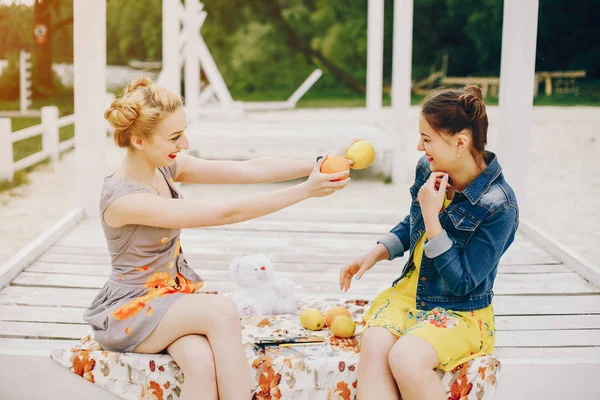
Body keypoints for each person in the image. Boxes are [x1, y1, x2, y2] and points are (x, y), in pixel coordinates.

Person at [83, 77, 352, 400]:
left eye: (183, 132)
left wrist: (320, 164)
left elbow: (249, 169)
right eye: (174, 137)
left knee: (200, 363)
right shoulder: (125, 200)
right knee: (222, 310)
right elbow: (225, 214)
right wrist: (306, 191)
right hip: (131, 311)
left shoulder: (164, 168)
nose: (184, 144)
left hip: (168, 299)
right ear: (139, 141)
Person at [339, 86, 519, 400]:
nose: (419, 146)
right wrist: (378, 251)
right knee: (375, 343)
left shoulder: (499, 207)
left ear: (460, 143)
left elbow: (463, 282)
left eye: (427, 138)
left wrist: (433, 217)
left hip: (460, 311)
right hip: (410, 296)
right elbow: (414, 223)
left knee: (406, 358)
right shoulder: (429, 168)